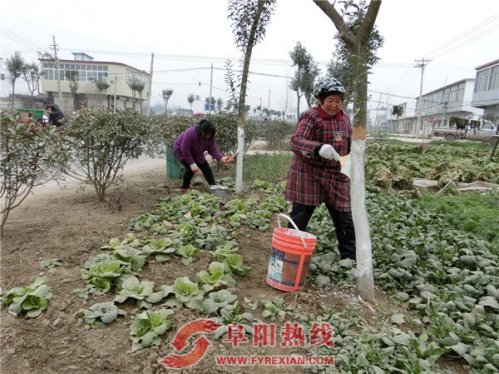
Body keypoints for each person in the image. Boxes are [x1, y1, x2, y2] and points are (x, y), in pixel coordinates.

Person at [284, 77, 356, 261]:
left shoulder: (346, 120)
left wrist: (353, 159)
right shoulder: (311, 116)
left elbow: (350, 144)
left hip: (336, 175)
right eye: (330, 100)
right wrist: (318, 148)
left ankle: (349, 260)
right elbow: (296, 141)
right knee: (299, 218)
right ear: (319, 99)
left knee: (345, 220)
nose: (334, 105)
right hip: (309, 174)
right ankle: (289, 257)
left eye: (338, 101)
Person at [173, 119, 232, 193]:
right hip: (182, 151)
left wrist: (221, 158)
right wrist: (192, 163)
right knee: (190, 170)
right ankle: (185, 188)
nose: (207, 137)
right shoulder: (191, 133)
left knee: (206, 168)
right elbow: (185, 149)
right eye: (206, 134)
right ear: (201, 130)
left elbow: (212, 149)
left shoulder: (211, 137)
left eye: (210, 135)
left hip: (197, 153)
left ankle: (213, 187)